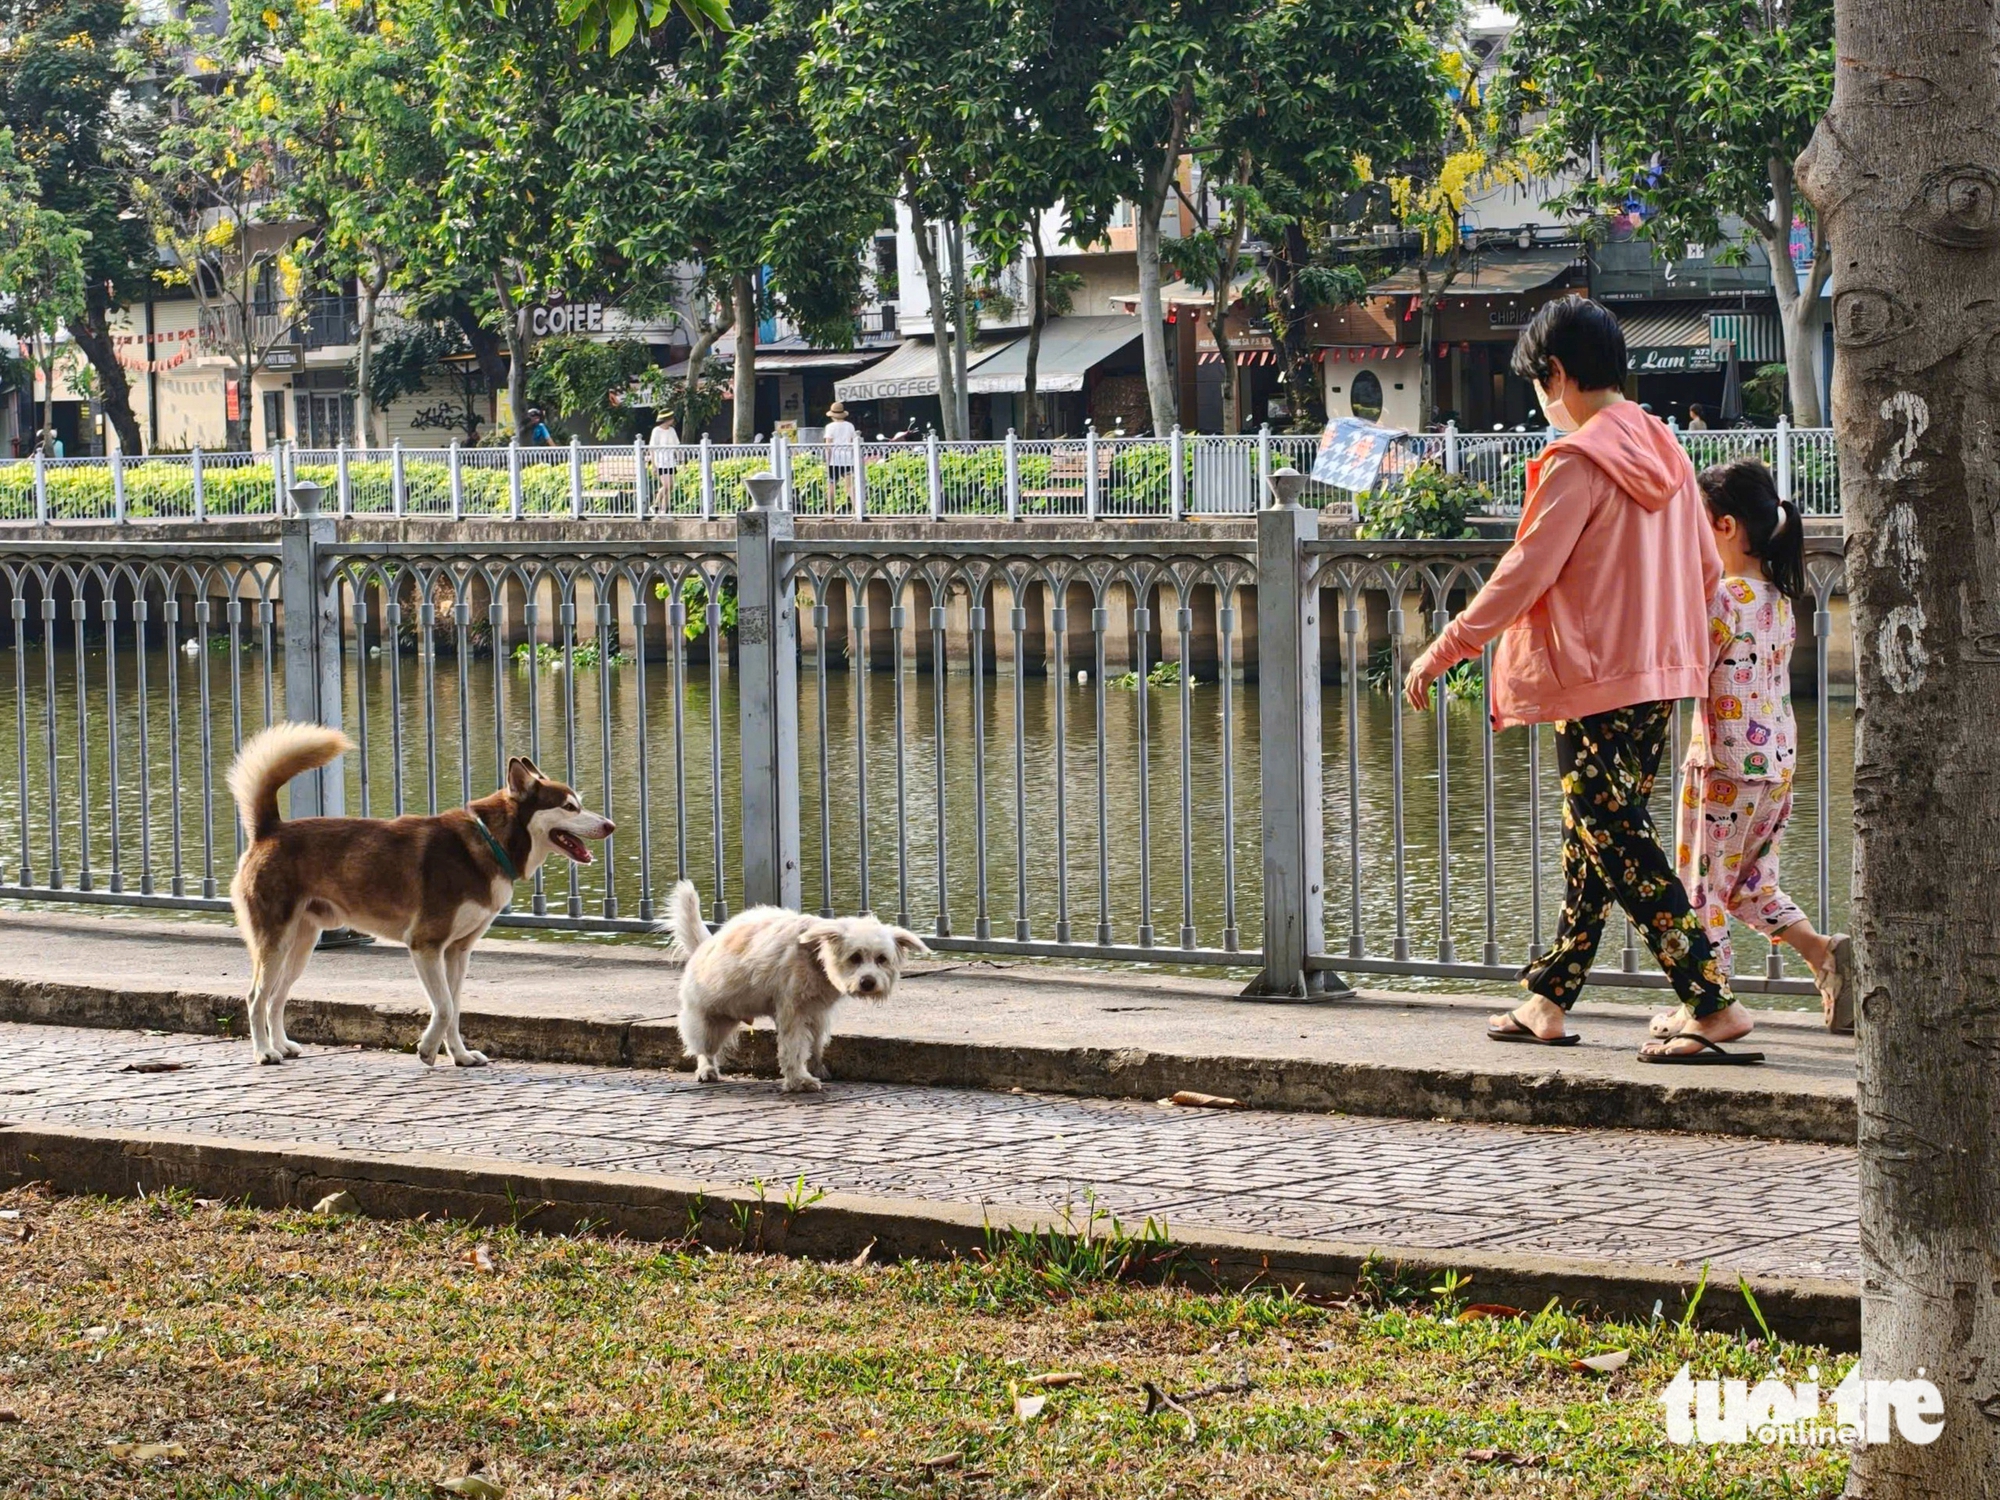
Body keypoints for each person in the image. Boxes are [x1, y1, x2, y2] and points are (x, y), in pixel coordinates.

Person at [1403, 297, 1759, 1064]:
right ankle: (1548, 998)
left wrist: (1448, 647)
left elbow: (1524, 571)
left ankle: (1710, 1000)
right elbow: (1704, 568)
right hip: (1659, 679)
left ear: (1556, 375)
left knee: (1618, 842)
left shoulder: (1577, 460)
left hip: (1597, 682)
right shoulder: (1665, 445)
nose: (1543, 404)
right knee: (1592, 842)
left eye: (1539, 385)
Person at [1651, 457, 1855, 1039]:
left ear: (1724, 528)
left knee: (1703, 890)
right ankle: (1823, 953)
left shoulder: (1722, 599)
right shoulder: (1778, 599)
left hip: (1721, 765)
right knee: (1748, 886)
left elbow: (1686, 674)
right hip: (1776, 765)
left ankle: (1708, 1007)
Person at [822, 400, 861, 504]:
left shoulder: (830, 427)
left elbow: (828, 445)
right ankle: (856, 509)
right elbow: (853, 441)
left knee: (831, 485)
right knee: (849, 486)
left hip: (834, 460)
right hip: (847, 459)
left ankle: (831, 512)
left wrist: (827, 461)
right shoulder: (850, 426)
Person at [648, 411, 681, 492]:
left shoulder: (672, 430)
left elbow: (677, 446)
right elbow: (651, 448)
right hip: (660, 462)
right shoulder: (656, 431)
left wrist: (680, 459)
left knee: (670, 486)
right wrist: (653, 465)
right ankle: (655, 503)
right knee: (667, 485)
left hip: (671, 461)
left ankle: (664, 505)